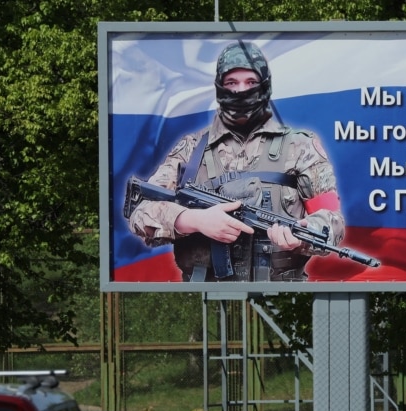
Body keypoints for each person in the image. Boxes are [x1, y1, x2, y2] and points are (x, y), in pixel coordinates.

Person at [127, 40, 346, 282]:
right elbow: (141, 212)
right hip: (202, 296)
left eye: (251, 82)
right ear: (219, 87)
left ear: (265, 86)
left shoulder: (300, 147)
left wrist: (303, 234)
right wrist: (195, 220)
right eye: (232, 83)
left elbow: (333, 221)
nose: (241, 91)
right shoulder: (191, 149)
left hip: (282, 295)